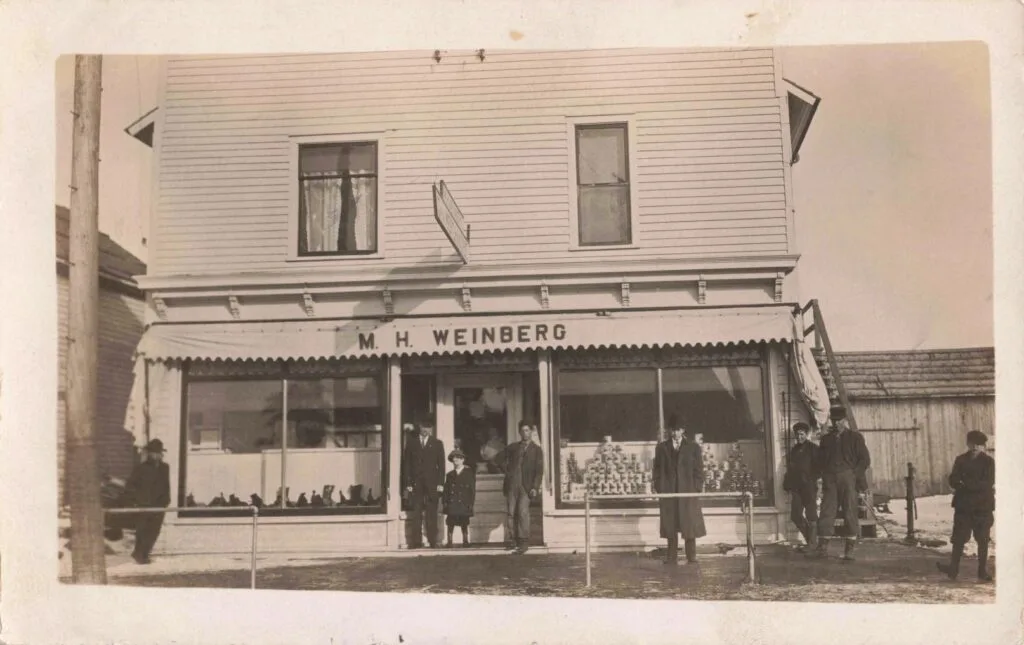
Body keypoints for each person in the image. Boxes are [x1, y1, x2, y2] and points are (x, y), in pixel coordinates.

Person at [811, 407, 870, 561]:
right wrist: (821, 475)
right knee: (826, 511)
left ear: (844, 420)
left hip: (848, 478)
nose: (836, 423)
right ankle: (822, 547)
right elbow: (820, 461)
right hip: (830, 479)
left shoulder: (855, 438)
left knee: (850, 511)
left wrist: (854, 475)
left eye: (839, 420)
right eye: (834, 420)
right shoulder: (826, 439)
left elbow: (865, 460)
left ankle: (849, 549)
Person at [938, 430, 995, 582]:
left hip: (982, 507)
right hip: (963, 507)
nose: (975, 446)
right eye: (972, 443)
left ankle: (982, 571)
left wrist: (965, 485)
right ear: (967, 444)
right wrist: (959, 483)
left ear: (983, 446)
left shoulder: (989, 462)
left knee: (982, 539)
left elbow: (987, 483)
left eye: (979, 444)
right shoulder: (961, 460)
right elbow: (953, 479)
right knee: (958, 539)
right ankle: (953, 569)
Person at [652, 417, 707, 564]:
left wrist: (696, 488)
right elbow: (656, 470)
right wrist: (659, 486)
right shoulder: (662, 448)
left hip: (687, 491)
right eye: (673, 430)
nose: (675, 433)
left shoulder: (693, 447)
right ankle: (671, 557)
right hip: (669, 492)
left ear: (683, 430)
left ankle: (691, 556)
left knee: (689, 524)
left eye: (678, 430)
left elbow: (699, 470)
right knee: (671, 525)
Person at [495, 421, 543, 554]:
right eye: (522, 430)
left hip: (526, 486)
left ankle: (523, 541)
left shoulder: (537, 450)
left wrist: (535, 487)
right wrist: (507, 470)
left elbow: (539, 471)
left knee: (522, 513)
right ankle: (512, 540)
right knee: (511, 512)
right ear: (519, 432)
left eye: (527, 430)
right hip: (512, 484)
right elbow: (497, 459)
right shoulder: (513, 447)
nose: (525, 433)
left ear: (531, 432)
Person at [124, 438, 171, 564]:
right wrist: (136, 502)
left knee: (154, 531)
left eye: (159, 452)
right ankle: (139, 554)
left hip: (159, 505)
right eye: (154, 452)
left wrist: (166, 501)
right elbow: (130, 486)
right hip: (143, 505)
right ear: (149, 453)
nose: (157, 455)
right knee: (142, 531)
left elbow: (166, 486)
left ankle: (145, 553)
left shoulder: (165, 468)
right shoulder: (140, 468)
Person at [403, 414, 446, 549]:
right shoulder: (412, 442)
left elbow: (442, 465)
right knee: (416, 512)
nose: (426, 430)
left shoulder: (437, 443)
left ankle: (433, 540)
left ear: (432, 429)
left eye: (429, 427)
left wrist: (440, 483)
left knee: (431, 512)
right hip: (416, 483)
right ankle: (416, 541)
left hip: (432, 483)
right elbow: (407, 464)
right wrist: (408, 483)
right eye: (423, 427)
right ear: (419, 427)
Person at [783, 422, 821, 551]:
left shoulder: (813, 448)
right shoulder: (794, 450)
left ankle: (812, 544)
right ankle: (811, 541)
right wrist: (787, 484)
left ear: (807, 434)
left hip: (809, 487)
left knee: (811, 515)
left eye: (802, 434)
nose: (799, 437)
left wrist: (811, 479)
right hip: (796, 487)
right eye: (797, 434)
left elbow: (819, 468)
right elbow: (790, 469)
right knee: (795, 515)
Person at [443, 448, 476, 548]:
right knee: (450, 522)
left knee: (464, 522)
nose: (455, 460)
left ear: (463, 460)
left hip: (464, 502)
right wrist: (445, 502)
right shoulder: (450, 475)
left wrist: (470, 503)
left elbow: (472, 490)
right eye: (454, 458)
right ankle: (449, 542)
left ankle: (465, 541)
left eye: (458, 458)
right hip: (452, 503)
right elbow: (446, 490)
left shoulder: (469, 473)